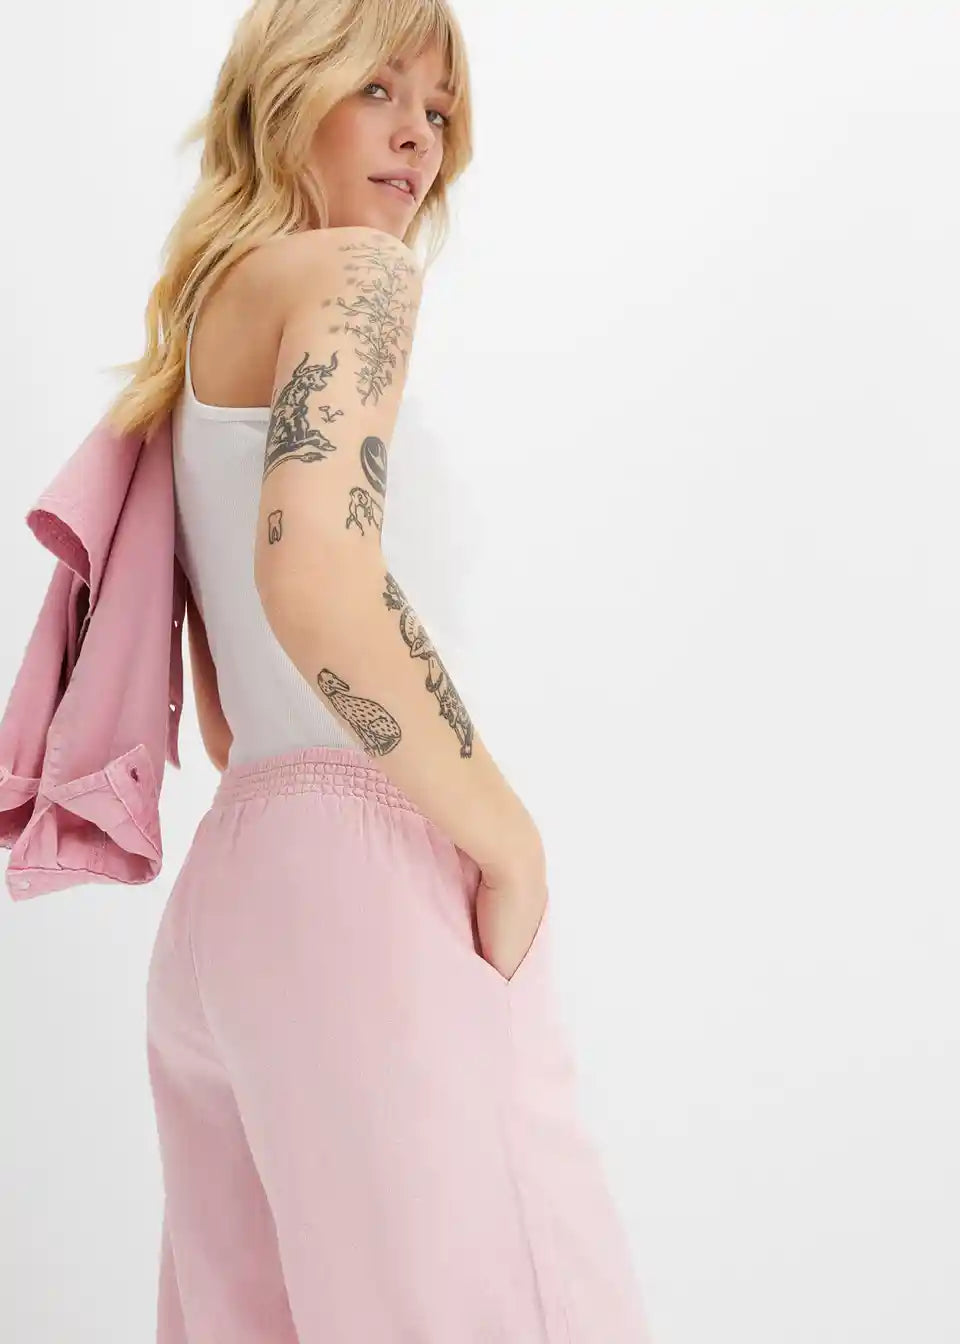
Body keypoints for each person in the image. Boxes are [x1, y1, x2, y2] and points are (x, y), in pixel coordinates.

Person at [105, 1, 653, 1339]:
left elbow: (228, 717)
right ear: (288, 88)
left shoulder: (200, 333)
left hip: (231, 908)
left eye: (440, 108)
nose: (419, 135)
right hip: (367, 890)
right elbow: (315, 581)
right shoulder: (356, 276)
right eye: (379, 89)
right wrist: (508, 844)